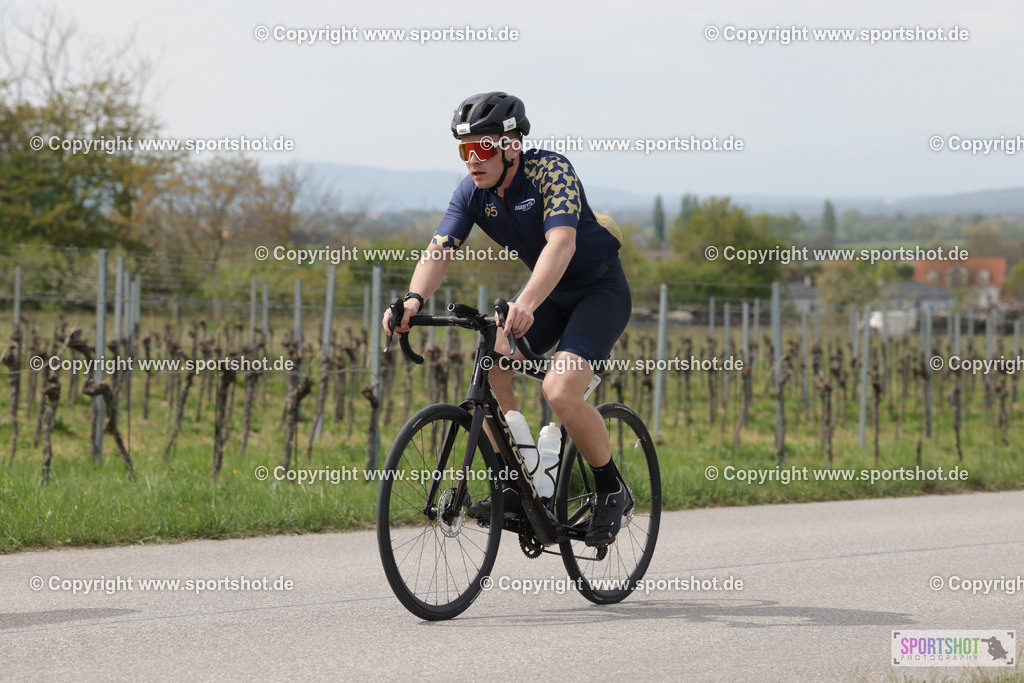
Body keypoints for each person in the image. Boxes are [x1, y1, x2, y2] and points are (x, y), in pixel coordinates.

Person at [383, 91, 632, 547]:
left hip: (598, 291)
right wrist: (414, 298)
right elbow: (439, 251)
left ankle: (610, 486)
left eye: (482, 148)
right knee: (492, 358)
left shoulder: (550, 171)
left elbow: (561, 245)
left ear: (511, 145)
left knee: (558, 390)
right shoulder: (472, 192)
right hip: (547, 293)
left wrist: (527, 304)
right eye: (465, 151)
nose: (472, 161)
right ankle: (521, 477)